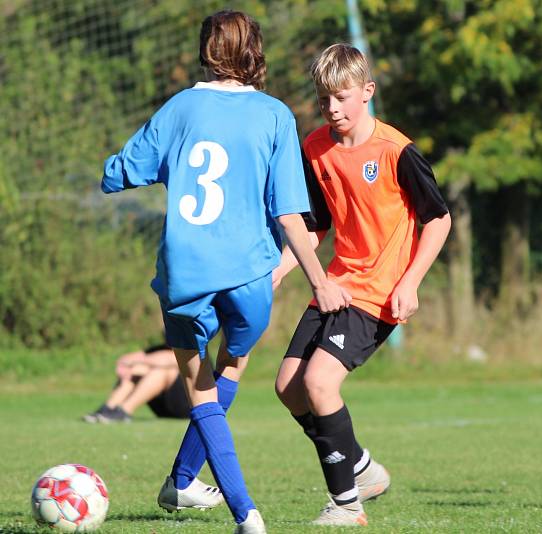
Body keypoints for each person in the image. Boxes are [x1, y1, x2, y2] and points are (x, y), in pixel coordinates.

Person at [101, 11, 350, 533]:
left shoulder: (181, 108)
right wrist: (318, 280)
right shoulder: (274, 115)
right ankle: (183, 482)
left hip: (185, 273)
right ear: (255, 53)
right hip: (249, 274)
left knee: (199, 386)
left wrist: (115, 171)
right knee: (231, 367)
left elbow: (125, 170)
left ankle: (246, 514)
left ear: (205, 50)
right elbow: (288, 212)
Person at [271, 43, 451, 526]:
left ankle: (347, 505)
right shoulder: (315, 148)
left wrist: (411, 282)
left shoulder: (397, 150)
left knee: (319, 382)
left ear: (367, 92)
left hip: (379, 291)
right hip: (335, 284)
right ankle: (362, 469)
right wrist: (278, 272)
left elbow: (438, 220)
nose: (333, 109)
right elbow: (315, 226)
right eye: (324, 98)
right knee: (289, 388)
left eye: (342, 97)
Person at [83, 344, 192, 423]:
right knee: (135, 370)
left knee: (162, 371)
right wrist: (128, 367)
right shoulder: (158, 349)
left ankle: (124, 412)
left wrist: (138, 361)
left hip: (187, 407)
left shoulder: (193, 346)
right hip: (163, 408)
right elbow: (127, 359)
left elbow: (172, 358)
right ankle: (108, 409)